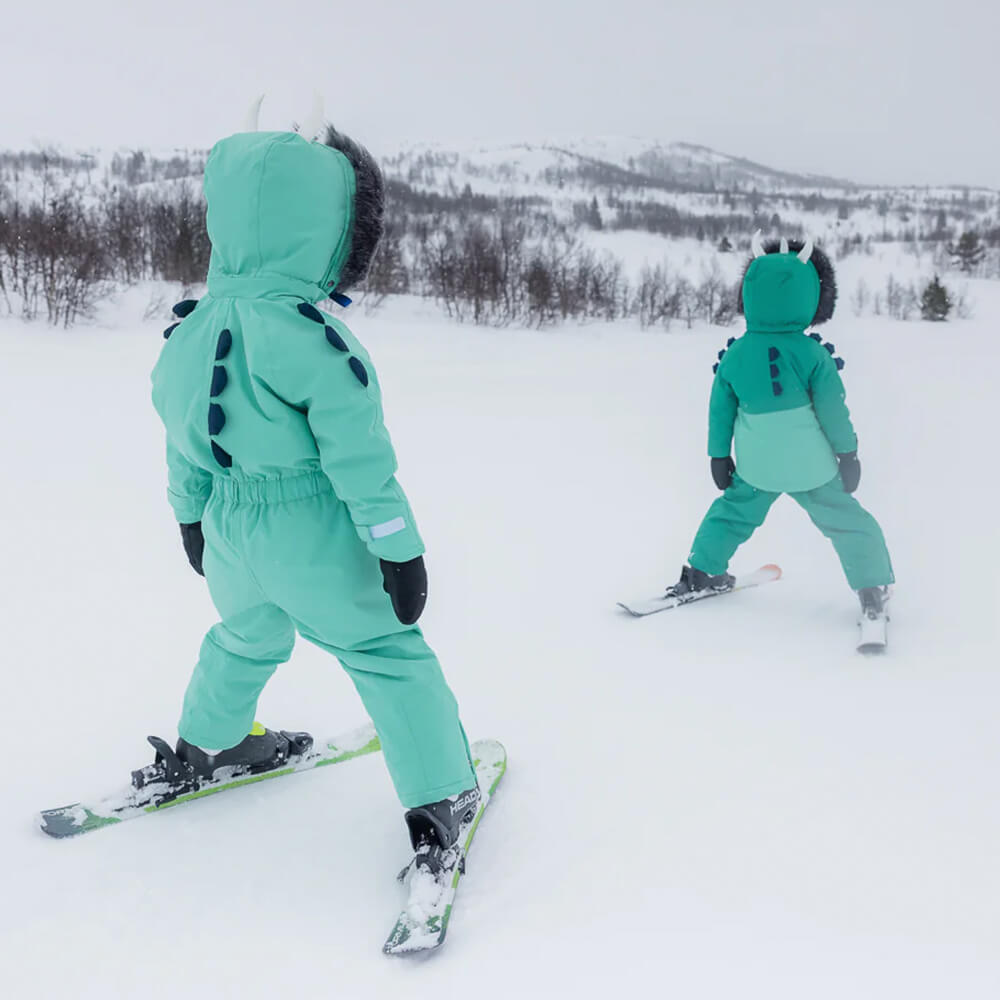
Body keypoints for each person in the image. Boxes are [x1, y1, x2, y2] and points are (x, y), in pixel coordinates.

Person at [150, 111, 478, 859]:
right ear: (333, 231)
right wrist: (397, 548)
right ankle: (442, 794)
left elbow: (181, 438)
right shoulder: (316, 340)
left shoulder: (187, 334)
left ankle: (209, 744)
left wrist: (190, 518)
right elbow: (360, 461)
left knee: (244, 635)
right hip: (312, 530)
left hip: (230, 532)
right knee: (387, 653)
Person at [669, 234, 894, 618]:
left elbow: (720, 410)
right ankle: (872, 586)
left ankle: (702, 571)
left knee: (731, 514)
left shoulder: (736, 355)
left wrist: (718, 455)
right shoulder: (813, 354)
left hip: (758, 468)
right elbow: (833, 411)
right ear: (812, 297)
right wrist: (848, 454)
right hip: (813, 468)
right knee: (848, 522)